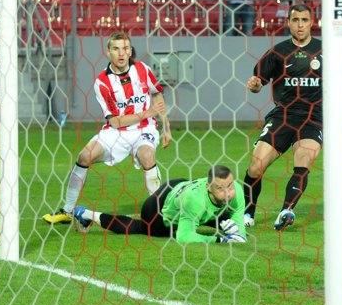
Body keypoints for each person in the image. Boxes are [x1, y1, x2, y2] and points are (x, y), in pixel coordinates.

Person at [42, 31, 172, 225]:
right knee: (84, 156)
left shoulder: (143, 70)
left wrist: (166, 128)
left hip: (144, 130)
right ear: (108, 52)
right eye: (116, 49)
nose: (121, 53)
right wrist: (148, 112)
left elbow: (157, 94)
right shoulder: (102, 82)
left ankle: (159, 214)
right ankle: (67, 211)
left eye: (125, 48)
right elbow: (115, 122)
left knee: (147, 156)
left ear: (130, 51)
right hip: (117, 132)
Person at [243, 4, 321, 231]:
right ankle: (247, 212)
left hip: (313, 117)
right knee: (256, 166)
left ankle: (286, 211)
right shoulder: (277, 52)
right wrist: (255, 85)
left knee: (303, 160)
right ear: (288, 23)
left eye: (304, 20)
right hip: (283, 116)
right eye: (295, 20)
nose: (300, 25)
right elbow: (258, 82)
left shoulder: (324, 51)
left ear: (311, 22)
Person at [73, 165, 247, 244]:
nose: (228, 193)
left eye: (230, 186)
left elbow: (238, 221)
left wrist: (238, 235)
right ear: (209, 187)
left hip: (180, 186)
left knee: (224, 217)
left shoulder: (237, 191)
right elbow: (184, 237)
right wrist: (220, 240)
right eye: (220, 188)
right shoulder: (195, 201)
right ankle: (86, 214)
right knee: (141, 228)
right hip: (158, 208)